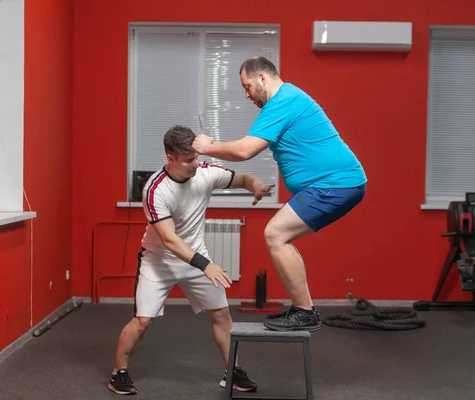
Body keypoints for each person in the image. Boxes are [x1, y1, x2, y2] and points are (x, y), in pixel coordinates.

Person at [192, 56, 367, 333]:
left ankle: (304, 311)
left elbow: (244, 151)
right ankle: (303, 309)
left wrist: (207, 147)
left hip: (336, 183)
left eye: (247, 86)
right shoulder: (286, 100)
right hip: (331, 184)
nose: (246, 94)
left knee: (275, 234)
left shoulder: (283, 102)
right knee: (279, 235)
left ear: (262, 78)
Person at [108, 125, 273, 395]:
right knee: (143, 320)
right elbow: (170, 241)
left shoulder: (205, 173)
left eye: (196, 157)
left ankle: (232, 371)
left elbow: (242, 179)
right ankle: (119, 372)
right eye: (188, 160)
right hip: (158, 261)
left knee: (221, 314)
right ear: (170, 157)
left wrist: (255, 185)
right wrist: (206, 265)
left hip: (195, 256)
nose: (195, 164)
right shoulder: (155, 190)